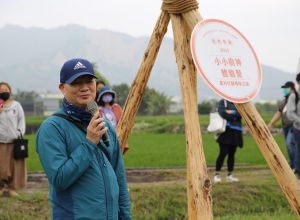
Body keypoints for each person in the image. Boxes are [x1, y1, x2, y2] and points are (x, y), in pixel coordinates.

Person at [36, 58, 131, 219]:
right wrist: (89, 143)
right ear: (62, 88)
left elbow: (120, 180)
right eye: (76, 83)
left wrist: (125, 216)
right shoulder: (52, 128)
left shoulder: (105, 126)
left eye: (89, 81)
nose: (85, 88)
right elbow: (59, 179)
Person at [0, 82, 26, 197]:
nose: (4, 92)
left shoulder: (16, 105)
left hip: (14, 141)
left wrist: (18, 133)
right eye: (1, 90)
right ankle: (1, 188)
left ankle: (12, 188)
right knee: (2, 166)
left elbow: (21, 120)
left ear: (10, 91)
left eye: (6, 89)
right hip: (1, 141)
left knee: (14, 165)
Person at [268, 81, 298, 170]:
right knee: (289, 146)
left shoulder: (296, 99)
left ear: (292, 88)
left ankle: (296, 166)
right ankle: (293, 165)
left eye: (286, 88)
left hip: (294, 125)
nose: (284, 90)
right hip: (285, 126)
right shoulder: (284, 101)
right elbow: (278, 113)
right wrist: (270, 124)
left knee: (290, 144)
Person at [213, 99, 243, 183]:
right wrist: (235, 114)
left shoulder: (239, 102)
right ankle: (217, 174)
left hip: (237, 131)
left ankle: (230, 175)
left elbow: (242, 114)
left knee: (232, 154)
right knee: (223, 153)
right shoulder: (223, 102)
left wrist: (231, 112)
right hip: (226, 131)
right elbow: (222, 113)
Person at [96, 85, 129, 154]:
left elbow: (123, 120)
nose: (107, 96)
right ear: (101, 97)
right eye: (105, 95)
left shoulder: (116, 107)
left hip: (117, 135)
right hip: (105, 137)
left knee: (117, 156)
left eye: (109, 94)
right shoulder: (99, 110)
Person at [287, 73, 300, 178]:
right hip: (298, 128)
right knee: (298, 149)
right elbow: (290, 113)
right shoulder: (294, 96)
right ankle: (297, 171)